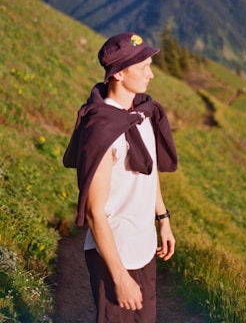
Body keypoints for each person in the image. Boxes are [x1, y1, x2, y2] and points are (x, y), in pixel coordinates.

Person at [63, 32, 178, 323]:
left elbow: (148, 174)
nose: (151, 75)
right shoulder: (102, 131)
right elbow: (94, 212)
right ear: (118, 74)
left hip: (143, 248)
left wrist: (163, 219)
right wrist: (120, 277)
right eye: (143, 67)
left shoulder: (142, 115)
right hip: (114, 255)